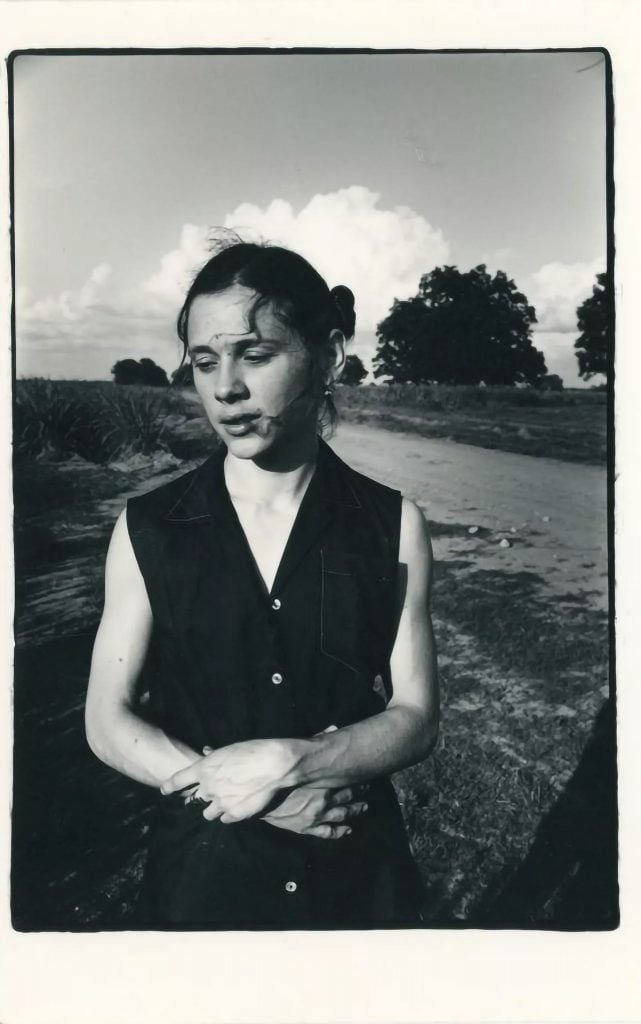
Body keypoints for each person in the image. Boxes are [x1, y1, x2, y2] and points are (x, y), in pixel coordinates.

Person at [85, 240, 439, 929]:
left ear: (329, 355)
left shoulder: (391, 524)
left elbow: (416, 718)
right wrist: (257, 797)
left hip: (356, 886)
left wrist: (297, 763)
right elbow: (107, 719)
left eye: (255, 354)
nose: (225, 389)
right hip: (204, 883)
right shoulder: (149, 527)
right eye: (205, 361)